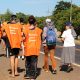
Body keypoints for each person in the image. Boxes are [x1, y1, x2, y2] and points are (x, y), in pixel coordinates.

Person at [23, 15, 42, 79]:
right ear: (35, 22)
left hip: (28, 48)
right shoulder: (39, 30)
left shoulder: (25, 30)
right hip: (35, 49)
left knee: (28, 62)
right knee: (34, 62)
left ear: (28, 22)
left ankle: (28, 74)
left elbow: (22, 39)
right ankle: (33, 76)